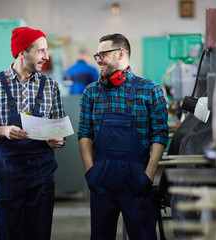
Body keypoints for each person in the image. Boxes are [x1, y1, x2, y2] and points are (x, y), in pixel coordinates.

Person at [0, 27, 65, 240]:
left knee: (40, 232)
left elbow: (60, 128)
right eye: (41, 50)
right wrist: (2, 130)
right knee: (9, 232)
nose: (46, 56)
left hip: (42, 172)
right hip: (8, 173)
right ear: (23, 52)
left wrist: (58, 138)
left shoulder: (50, 86)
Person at [78, 33, 169, 240]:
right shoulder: (91, 92)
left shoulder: (150, 90)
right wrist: (90, 172)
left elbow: (160, 134)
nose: (98, 59)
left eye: (103, 54)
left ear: (121, 53)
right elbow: (84, 133)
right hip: (101, 181)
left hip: (137, 181)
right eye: (97, 55)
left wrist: (148, 174)